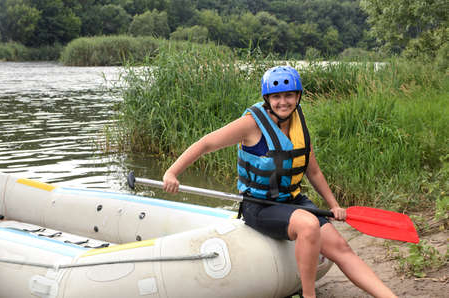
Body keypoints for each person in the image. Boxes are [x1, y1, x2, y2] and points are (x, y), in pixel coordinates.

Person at [163, 66, 397, 298]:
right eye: (276, 97)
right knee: (309, 225)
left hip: (293, 201)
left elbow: (313, 171)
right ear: (267, 98)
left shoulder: (298, 123)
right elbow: (206, 144)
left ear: (298, 96)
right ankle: (308, 296)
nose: (283, 102)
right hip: (259, 205)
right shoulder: (251, 124)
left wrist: (334, 205)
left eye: (288, 96)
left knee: (341, 248)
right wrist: (172, 173)